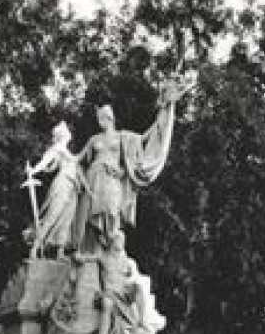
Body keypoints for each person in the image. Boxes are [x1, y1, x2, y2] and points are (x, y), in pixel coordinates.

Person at [72, 80, 189, 253]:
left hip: (112, 178)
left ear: (110, 118)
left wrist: (164, 112)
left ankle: (109, 246)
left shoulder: (122, 137)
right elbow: (78, 158)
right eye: (99, 119)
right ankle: (94, 251)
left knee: (111, 210)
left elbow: (145, 137)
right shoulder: (94, 139)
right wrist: (60, 153)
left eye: (103, 118)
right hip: (93, 177)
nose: (100, 122)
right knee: (91, 215)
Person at [24, 122, 83, 258]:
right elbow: (45, 161)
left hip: (73, 186)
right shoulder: (57, 148)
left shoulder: (65, 150)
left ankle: (60, 251)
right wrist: (33, 170)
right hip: (63, 183)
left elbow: (53, 166)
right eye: (67, 131)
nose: (69, 134)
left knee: (67, 219)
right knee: (53, 216)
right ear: (63, 135)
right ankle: (35, 247)